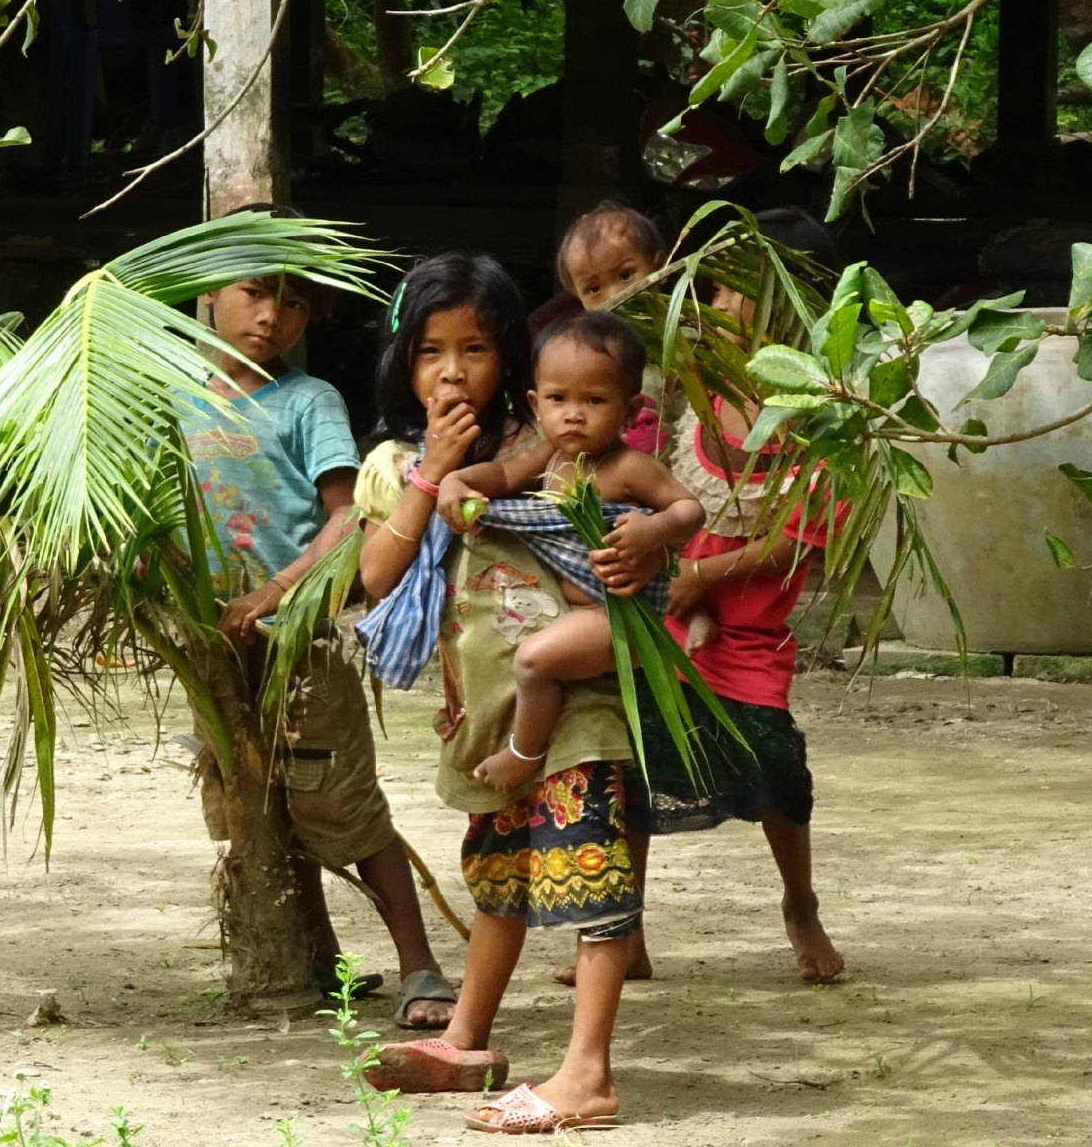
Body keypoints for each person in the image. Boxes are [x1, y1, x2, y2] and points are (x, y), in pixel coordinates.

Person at [355, 253, 654, 1132]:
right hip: (486, 719)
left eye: (476, 349)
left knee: (591, 875)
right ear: (403, 361)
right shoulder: (400, 463)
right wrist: (435, 469)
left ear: (514, 363)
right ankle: (467, 1039)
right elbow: (377, 576)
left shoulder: (562, 447)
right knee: (502, 878)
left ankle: (588, 1073)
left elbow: (635, 537)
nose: (452, 372)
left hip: (580, 710)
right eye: (431, 351)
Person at [178, 214, 455, 1029]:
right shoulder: (172, 395)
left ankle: (419, 966)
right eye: (255, 293)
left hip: (301, 637)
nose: (273, 316)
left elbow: (346, 516)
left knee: (340, 802)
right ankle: (314, 961)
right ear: (210, 293)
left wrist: (277, 591)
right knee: (252, 802)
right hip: (211, 641)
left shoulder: (307, 400)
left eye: (294, 304)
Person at [553, 253, 846, 991]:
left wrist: (702, 577)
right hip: (663, 624)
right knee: (636, 766)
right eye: (716, 292)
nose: (725, 307)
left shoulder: (824, 413)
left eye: (745, 294)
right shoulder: (689, 398)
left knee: (777, 766)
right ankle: (626, 933)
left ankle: (801, 903)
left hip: (751, 633)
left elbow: (799, 538)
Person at [435, 310, 704, 793]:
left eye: (594, 400)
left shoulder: (630, 467)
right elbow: (501, 476)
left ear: (630, 410)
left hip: (616, 617)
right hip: (572, 614)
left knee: (532, 662)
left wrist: (653, 529)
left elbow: (690, 510)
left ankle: (524, 753)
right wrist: (457, 480)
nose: (573, 414)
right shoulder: (550, 457)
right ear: (536, 404)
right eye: (558, 399)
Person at [555, 200, 674, 456]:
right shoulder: (582, 357)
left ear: (660, 267)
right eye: (594, 289)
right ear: (578, 298)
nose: (615, 296)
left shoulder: (687, 340)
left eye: (625, 275)